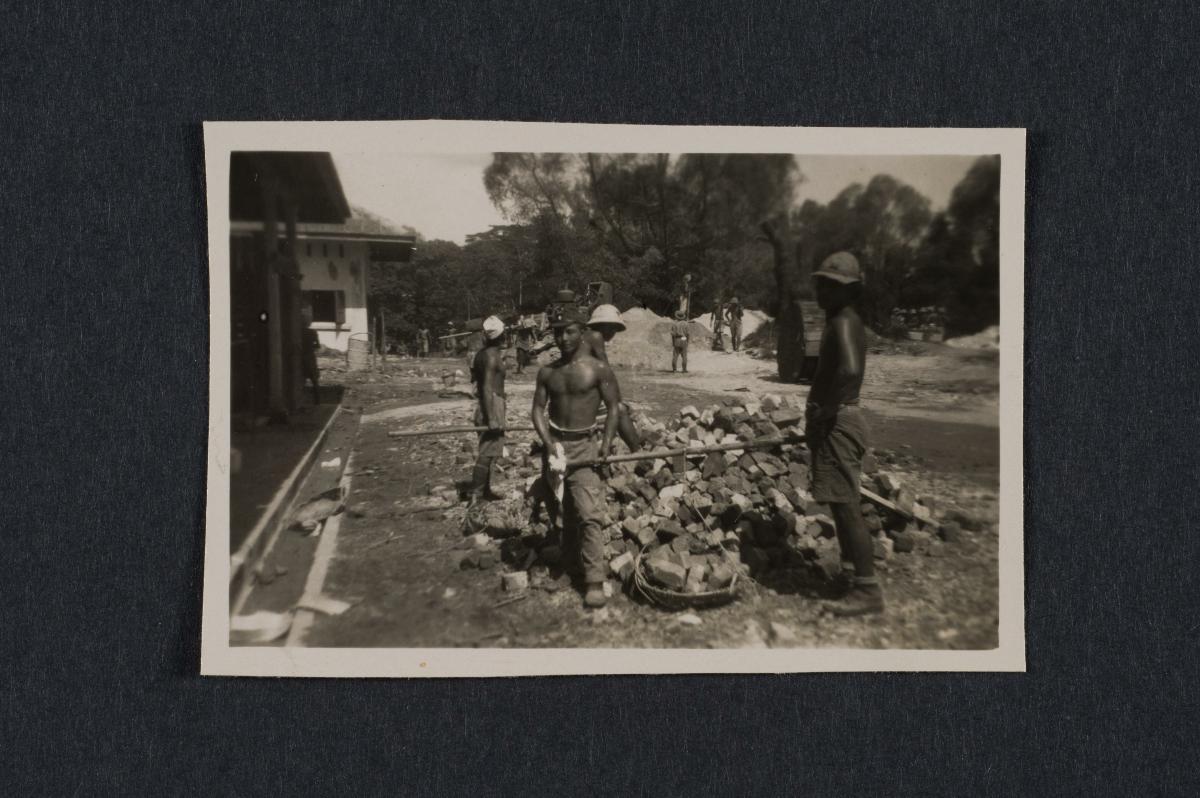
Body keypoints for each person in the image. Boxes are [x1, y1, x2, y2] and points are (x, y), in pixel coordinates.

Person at [805, 252, 882, 617]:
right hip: (838, 419)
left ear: (846, 290)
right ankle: (853, 577)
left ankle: (867, 590)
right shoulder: (841, 319)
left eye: (828, 285)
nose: (820, 290)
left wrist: (827, 410)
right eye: (820, 283)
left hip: (840, 421)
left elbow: (850, 371)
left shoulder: (844, 322)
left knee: (847, 504)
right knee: (839, 500)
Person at [531, 305, 620, 609]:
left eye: (569, 331)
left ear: (583, 331)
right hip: (557, 446)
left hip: (585, 445)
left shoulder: (598, 369)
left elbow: (614, 408)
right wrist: (548, 444)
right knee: (564, 510)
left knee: (589, 513)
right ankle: (570, 565)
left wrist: (606, 444)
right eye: (557, 332)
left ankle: (594, 580)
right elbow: (536, 411)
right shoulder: (548, 372)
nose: (563, 338)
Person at [584, 304, 642, 451]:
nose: (614, 332)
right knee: (620, 410)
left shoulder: (586, 336)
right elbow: (607, 373)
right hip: (581, 401)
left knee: (616, 407)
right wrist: (618, 400)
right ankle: (638, 452)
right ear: (604, 325)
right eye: (612, 328)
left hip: (580, 396)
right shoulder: (595, 338)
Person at [468, 315, 508, 504]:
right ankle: (475, 495)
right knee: (487, 452)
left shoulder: (482, 354)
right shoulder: (492, 356)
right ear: (502, 336)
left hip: (489, 403)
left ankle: (485, 490)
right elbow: (486, 387)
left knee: (491, 451)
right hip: (491, 403)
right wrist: (492, 417)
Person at [300, 306, 321, 405]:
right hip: (310, 356)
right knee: (314, 380)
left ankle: (302, 400)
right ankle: (317, 401)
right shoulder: (312, 332)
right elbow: (317, 346)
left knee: (301, 379)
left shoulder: (297, 333)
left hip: (299, 357)